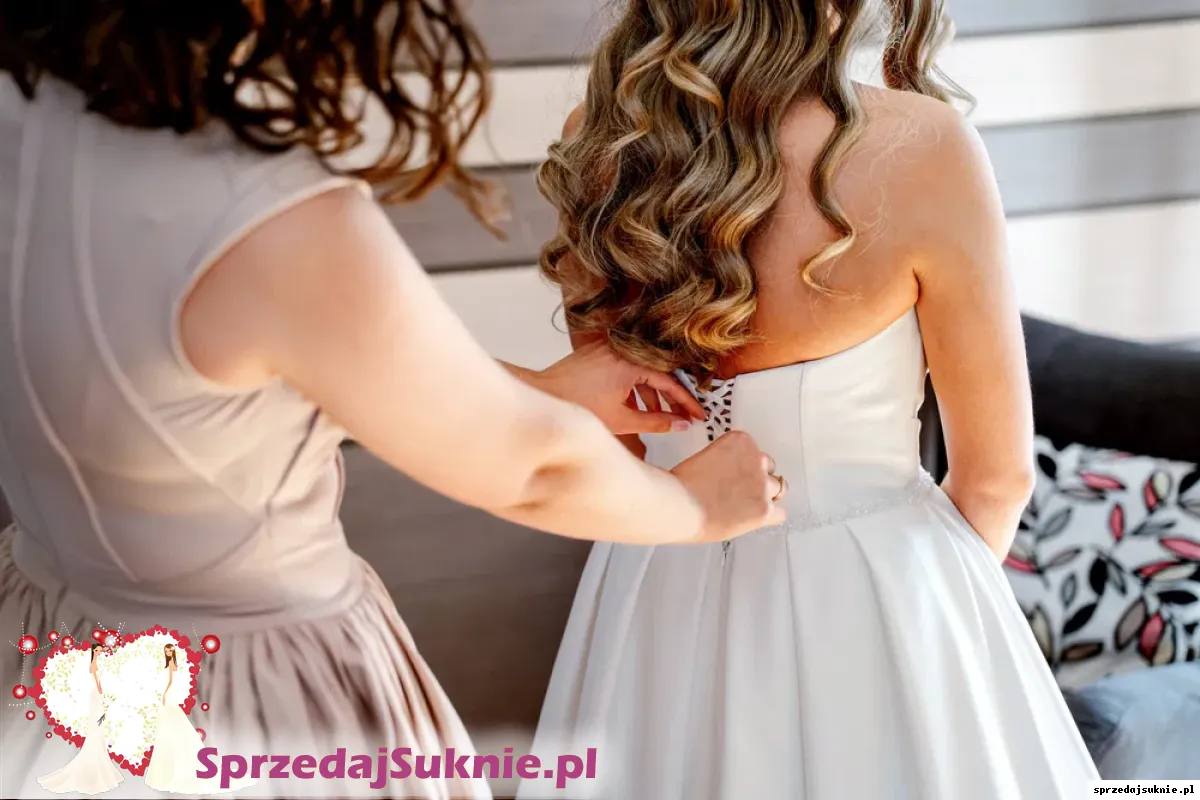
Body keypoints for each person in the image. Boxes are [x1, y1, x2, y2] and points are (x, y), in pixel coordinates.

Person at [0, 2, 787, 798]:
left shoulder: (26, 116)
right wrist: (695, 507)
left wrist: (538, 391)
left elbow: (200, 384)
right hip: (243, 699)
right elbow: (532, 471)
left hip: (53, 654)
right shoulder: (273, 221)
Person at [519, 1, 1102, 798]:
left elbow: (609, 444)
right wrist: (934, 632)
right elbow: (999, 479)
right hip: (876, 594)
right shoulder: (923, 145)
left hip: (653, 585)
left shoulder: (605, 140)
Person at [144, 644, 255, 795]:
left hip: (169, 695)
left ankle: (175, 769)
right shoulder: (169, 664)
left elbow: (170, 680)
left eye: (169, 651)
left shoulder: (171, 666)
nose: (167, 653)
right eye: (166, 651)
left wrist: (164, 693)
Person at [37, 643, 124, 795]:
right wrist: (102, 693)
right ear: (93, 651)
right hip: (96, 695)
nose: (99, 652)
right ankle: (95, 758)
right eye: (97, 650)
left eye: (100, 650)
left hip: (97, 696)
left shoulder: (98, 663)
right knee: (97, 725)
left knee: (99, 726)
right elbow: (96, 682)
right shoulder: (93, 664)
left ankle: (99, 755)